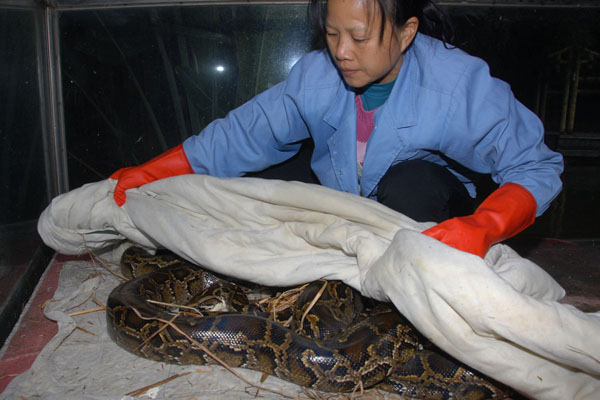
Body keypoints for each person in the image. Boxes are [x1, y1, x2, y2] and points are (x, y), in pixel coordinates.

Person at [110, 0, 563, 258]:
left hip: (428, 205)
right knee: (258, 186)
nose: (342, 52)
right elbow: (243, 134)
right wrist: (151, 172)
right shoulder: (317, 74)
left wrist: (483, 226)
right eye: (331, 34)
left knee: (412, 182)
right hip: (346, 193)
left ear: (406, 33)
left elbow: (535, 167)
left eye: (360, 37)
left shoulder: (458, 83)